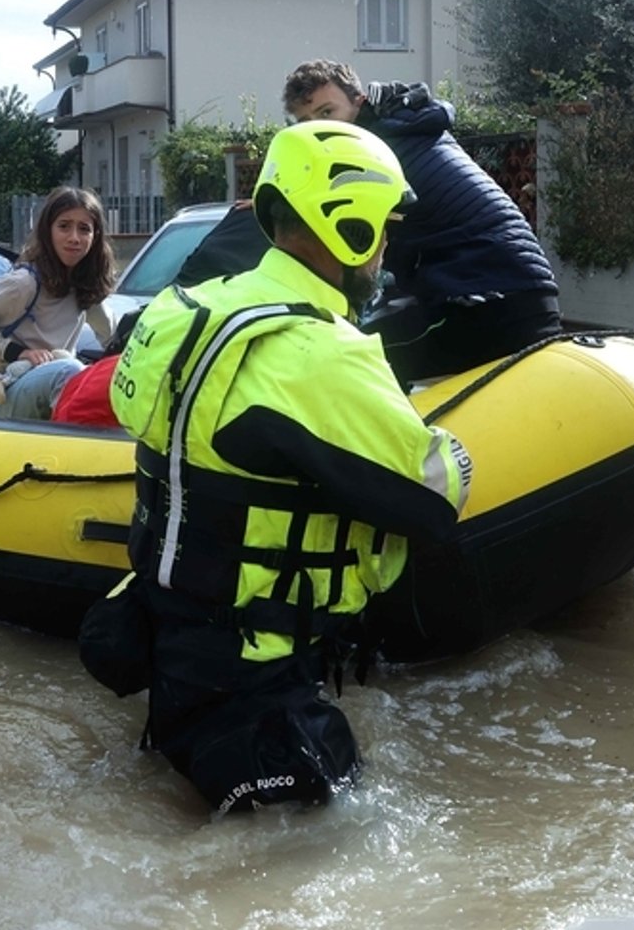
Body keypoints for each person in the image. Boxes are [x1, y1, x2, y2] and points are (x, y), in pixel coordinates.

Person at [102, 120, 472, 813]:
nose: (385, 248)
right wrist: (448, 441)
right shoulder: (324, 353)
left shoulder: (182, 310)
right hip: (258, 677)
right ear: (351, 228)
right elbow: (434, 496)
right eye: (383, 229)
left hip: (169, 650)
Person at [279, 58, 561, 383]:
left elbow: (339, 242)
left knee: (349, 362)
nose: (319, 128)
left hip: (496, 301)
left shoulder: (379, 152)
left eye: (328, 113)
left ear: (360, 102)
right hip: (501, 290)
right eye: (304, 122)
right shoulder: (403, 129)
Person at [0, 186, 115, 420]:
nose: (74, 238)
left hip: (52, 383)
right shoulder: (25, 282)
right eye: (64, 226)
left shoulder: (85, 288)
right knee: (70, 371)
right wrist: (20, 353)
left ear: (95, 236)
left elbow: (113, 337)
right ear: (47, 231)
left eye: (84, 229)